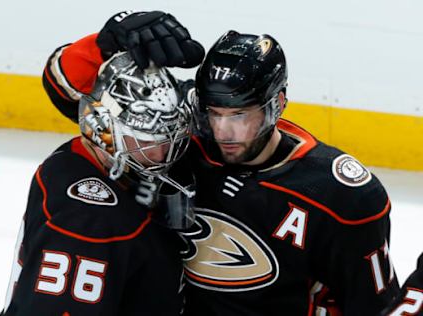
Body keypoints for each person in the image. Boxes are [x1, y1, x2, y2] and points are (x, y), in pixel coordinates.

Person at [42, 11, 399, 315]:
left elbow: (375, 306)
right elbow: (75, 100)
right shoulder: (178, 139)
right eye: (214, 113)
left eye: (240, 114)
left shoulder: (339, 195)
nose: (224, 130)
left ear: (279, 103)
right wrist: (102, 45)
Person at [1, 12, 205, 315]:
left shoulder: (95, 156)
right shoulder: (89, 223)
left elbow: (70, 86)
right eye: (145, 140)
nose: (163, 155)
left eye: (168, 137)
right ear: (104, 130)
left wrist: (102, 48)